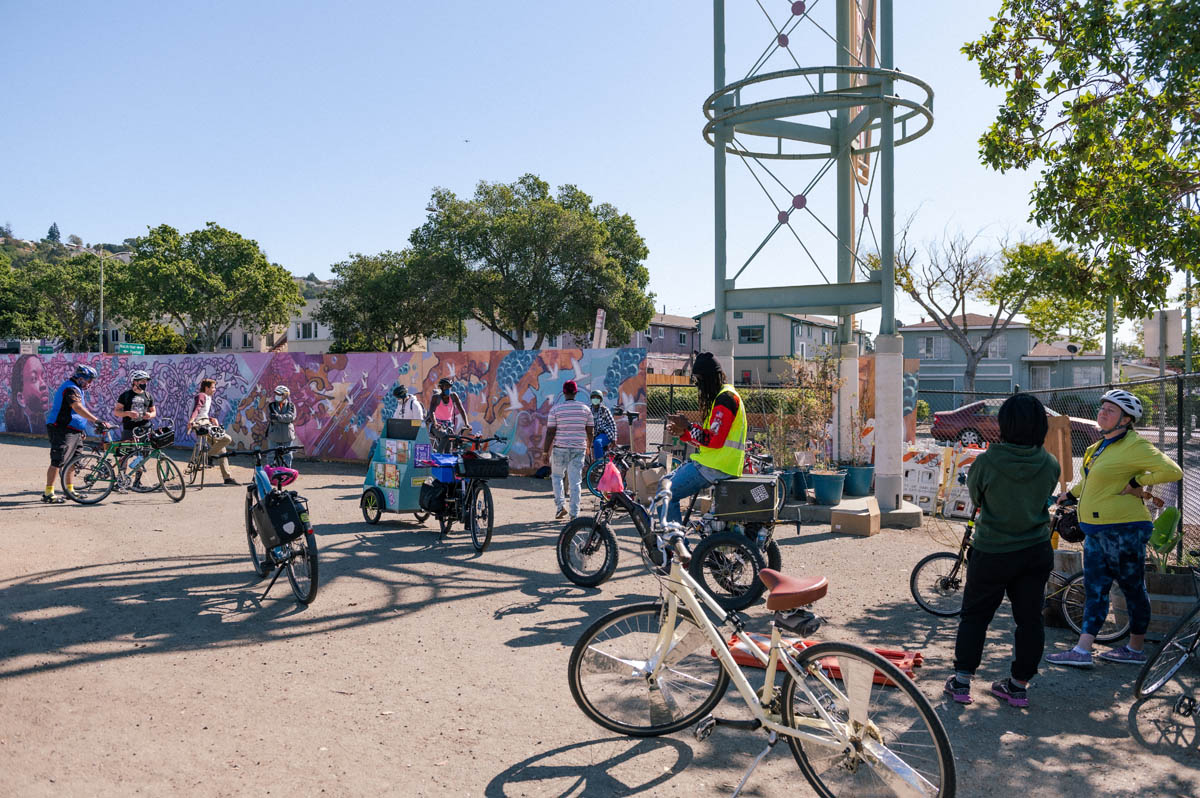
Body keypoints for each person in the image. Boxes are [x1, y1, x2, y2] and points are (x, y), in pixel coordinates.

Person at [1046, 389, 1183, 667]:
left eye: (1111, 410)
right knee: (1095, 589)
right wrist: (1070, 496)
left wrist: (1138, 482)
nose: (1102, 413)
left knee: (1132, 589)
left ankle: (1135, 649)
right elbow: (1090, 481)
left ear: (1126, 419)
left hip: (1125, 530)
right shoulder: (1096, 448)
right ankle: (1083, 650)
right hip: (1096, 530)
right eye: (1102, 408)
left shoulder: (1135, 445)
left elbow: (1173, 471)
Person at [943, 393, 1060, 708]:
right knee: (1030, 620)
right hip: (1035, 550)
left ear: (1004, 424)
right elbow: (1045, 497)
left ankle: (962, 682)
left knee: (976, 617)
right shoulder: (1050, 463)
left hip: (992, 550)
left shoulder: (987, 460)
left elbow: (977, 496)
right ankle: (1019, 685)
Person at [662, 352, 746, 524]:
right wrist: (683, 433)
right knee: (663, 483)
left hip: (716, 466)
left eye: (699, 380)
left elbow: (714, 440)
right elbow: (707, 439)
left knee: (666, 495)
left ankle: (676, 546)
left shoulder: (726, 399)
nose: (698, 386)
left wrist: (689, 427)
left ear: (709, 378)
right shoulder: (720, 398)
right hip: (713, 463)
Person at [43, 363, 105, 503]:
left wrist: (81, 428)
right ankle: (48, 493)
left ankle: (69, 490)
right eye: (89, 380)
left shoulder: (77, 388)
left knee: (73, 462)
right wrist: (96, 421)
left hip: (74, 430)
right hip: (61, 428)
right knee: (57, 461)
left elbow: (75, 413)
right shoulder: (70, 388)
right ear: (81, 378)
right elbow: (76, 407)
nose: (90, 383)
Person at [543, 379, 593, 520]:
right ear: (576, 392)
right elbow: (590, 431)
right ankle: (574, 513)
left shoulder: (556, 409)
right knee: (575, 482)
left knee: (557, 477)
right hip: (579, 449)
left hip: (560, 448)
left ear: (564, 393)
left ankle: (560, 507)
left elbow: (550, 432)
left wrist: (545, 451)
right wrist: (589, 446)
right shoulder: (585, 409)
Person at [187, 378, 237, 485]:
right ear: (207, 388)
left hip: (206, 423)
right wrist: (191, 421)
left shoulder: (208, 397)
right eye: (213, 387)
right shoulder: (201, 395)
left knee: (222, 449)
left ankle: (227, 478)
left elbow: (202, 413)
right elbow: (197, 409)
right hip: (200, 425)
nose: (215, 389)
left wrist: (211, 419)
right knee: (227, 439)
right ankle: (209, 456)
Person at [5, 354, 48, 434]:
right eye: (34, 378)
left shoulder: (40, 422)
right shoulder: (13, 425)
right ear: (21, 398)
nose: (43, 384)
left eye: (44, 377)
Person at [425, 377, 468, 453]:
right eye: (446, 387)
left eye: (450, 387)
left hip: (448, 425)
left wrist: (466, 423)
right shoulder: (436, 397)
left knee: (449, 447)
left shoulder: (453, 396)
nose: (449, 389)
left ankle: (446, 461)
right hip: (437, 424)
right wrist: (435, 423)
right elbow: (432, 412)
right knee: (445, 436)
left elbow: (461, 410)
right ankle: (438, 457)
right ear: (441, 388)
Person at [113, 370, 157, 441]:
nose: (145, 383)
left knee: (146, 451)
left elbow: (154, 412)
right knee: (127, 451)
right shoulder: (125, 395)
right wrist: (128, 413)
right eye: (142, 381)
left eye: (146, 381)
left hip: (145, 430)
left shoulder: (148, 396)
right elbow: (116, 412)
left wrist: (150, 415)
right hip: (129, 431)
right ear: (134, 382)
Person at [267, 385, 298, 467]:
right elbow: (271, 417)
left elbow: (291, 417)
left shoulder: (291, 406)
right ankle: (271, 473)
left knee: (287, 456)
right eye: (276, 394)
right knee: (271, 455)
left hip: (287, 436)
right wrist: (283, 418)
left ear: (285, 395)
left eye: (280, 394)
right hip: (274, 435)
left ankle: (286, 473)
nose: (277, 396)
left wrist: (278, 417)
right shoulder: (271, 405)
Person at [589, 389, 617, 462]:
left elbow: (612, 424)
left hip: (605, 433)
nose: (595, 399)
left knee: (597, 442)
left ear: (600, 400)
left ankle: (599, 464)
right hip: (593, 434)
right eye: (593, 397)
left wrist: (614, 439)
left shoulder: (604, 410)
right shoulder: (588, 410)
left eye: (597, 398)